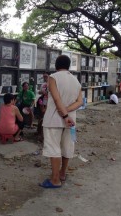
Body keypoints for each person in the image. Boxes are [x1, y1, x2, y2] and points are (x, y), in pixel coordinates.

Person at [39, 55, 82, 188]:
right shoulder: (76, 81)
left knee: (54, 148)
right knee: (67, 146)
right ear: (69, 66)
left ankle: (55, 180)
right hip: (71, 121)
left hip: (55, 119)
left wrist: (63, 115)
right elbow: (80, 102)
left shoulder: (53, 77)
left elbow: (57, 100)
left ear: (56, 65)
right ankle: (62, 173)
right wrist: (67, 111)